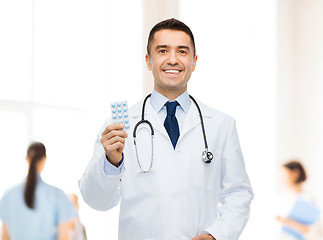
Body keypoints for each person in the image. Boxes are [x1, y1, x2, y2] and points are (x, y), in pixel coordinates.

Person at [79, 18, 254, 240]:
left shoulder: (221, 125)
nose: (173, 59)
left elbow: (239, 193)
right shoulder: (119, 127)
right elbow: (96, 201)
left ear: (194, 61)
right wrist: (111, 163)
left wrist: (215, 235)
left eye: (182, 51)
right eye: (162, 50)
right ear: (148, 61)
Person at [0, 142, 76, 240]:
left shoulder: (9, 195)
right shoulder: (57, 195)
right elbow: (64, 237)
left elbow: (5, 236)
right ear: (44, 159)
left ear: (26, 159)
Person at [276, 160, 322, 240]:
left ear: (295, 173)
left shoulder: (307, 200)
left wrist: (289, 223)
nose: (280, 179)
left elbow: (316, 233)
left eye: (283, 175)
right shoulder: (281, 197)